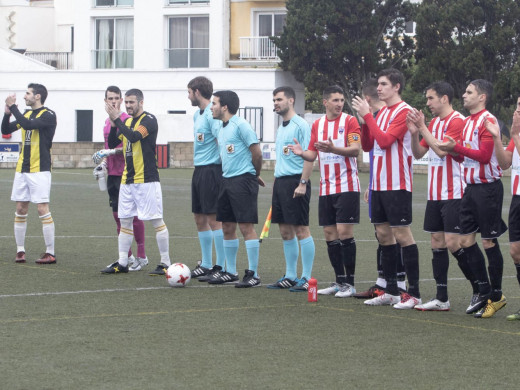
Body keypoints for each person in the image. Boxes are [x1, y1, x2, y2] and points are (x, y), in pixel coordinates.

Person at [352, 68, 422, 309]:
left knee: (402, 235)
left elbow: (386, 141)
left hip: (397, 184)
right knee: (383, 235)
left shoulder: (405, 112)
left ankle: (414, 292)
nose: (378, 88)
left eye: (383, 84)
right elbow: (369, 144)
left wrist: (368, 116)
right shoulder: (380, 114)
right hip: (379, 185)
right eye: (378, 84)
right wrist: (365, 121)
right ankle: (391, 290)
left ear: (396, 87)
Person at [437, 79, 507, 318]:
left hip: (488, 190)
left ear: (482, 97)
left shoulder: (488, 121)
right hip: (470, 190)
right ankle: (484, 289)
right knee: (465, 241)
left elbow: (485, 156)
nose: (464, 96)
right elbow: (464, 158)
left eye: (469, 92)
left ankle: (496, 296)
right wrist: (453, 150)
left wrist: (458, 148)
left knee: (488, 242)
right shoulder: (466, 122)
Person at [407, 81, 477, 311]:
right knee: (436, 242)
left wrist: (423, 127)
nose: (427, 103)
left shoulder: (457, 121)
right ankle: (441, 298)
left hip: (455, 192)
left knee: (453, 243)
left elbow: (441, 149)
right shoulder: (434, 122)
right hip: (434, 193)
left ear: (444, 98)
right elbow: (419, 153)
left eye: (431, 98)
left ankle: (479, 289)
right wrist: (415, 132)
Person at [290, 85, 361, 298]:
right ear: (325, 102)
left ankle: (350, 283)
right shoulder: (318, 125)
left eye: (341, 100)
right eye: (335, 100)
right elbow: (313, 154)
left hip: (347, 186)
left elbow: (355, 150)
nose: (340, 104)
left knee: (344, 233)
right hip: (326, 187)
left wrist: (333, 149)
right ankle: (339, 281)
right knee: (329, 233)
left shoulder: (350, 121)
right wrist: (302, 153)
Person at [100, 89, 172, 275]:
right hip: (127, 179)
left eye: (132, 102)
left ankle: (165, 261)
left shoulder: (149, 120)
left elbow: (133, 137)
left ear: (141, 102)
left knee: (156, 221)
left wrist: (118, 119)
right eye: (127, 103)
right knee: (125, 221)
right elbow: (115, 139)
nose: (129, 106)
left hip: (146, 179)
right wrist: (115, 120)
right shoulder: (127, 121)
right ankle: (123, 262)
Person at [209, 90, 264, 287]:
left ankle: (254, 274)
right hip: (226, 180)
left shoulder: (241, 125)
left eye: (214, 103)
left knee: (246, 227)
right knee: (227, 227)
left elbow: (257, 153)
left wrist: (254, 174)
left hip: (243, 181)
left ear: (224, 106)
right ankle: (230, 271)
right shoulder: (221, 127)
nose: (211, 107)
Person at [92, 86, 148, 271]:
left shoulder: (127, 120)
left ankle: (142, 256)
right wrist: (104, 164)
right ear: (105, 101)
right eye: (110, 98)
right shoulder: (107, 124)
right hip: (113, 176)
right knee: (117, 217)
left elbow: (128, 147)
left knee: (134, 217)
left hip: (129, 175)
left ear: (121, 101)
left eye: (117, 98)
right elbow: (108, 146)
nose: (114, 101)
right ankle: (128, 256)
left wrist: (108, 151)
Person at [266, 86, 315, 292]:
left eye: (279, 99)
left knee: (301, 229)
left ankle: (306, 277)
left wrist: (302, 183)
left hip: (296, 181)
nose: (276, 103)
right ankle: (290, 275)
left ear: (291, 100)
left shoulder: (301, 125)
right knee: (285, 231)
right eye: (274, 100)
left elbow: (310, 155)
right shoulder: (281, 127)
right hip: (281, 183)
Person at [2, 83, 57, 264]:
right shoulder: (25, 114)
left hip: (39, 169)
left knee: (42, 209)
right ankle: (20, 251)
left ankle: (50, 252)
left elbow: (28, 125)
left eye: (28, 93)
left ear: (38, 96)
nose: (25, 96)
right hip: (22, 169)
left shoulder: (48, 115)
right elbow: (6, 130)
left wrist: (14, 106)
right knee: (20, 208)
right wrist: (7, 113)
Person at [480, 95, 520, 319]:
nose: (517, 111)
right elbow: (504, 163)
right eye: (517, 107)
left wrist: (513, 133)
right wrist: (497, 138)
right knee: (516, 252)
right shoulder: (516, 135)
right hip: (517, 199)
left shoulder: (516, 133)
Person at [185, 76, 226, 281]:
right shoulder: (196, 115)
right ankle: (207, 263)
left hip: (212, 171)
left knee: (213, 219)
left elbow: (221, 141)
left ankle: (220, 265)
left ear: (197, 92)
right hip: (199, 170)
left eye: (189, 92)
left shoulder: (212, 114)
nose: (188, 96)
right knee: (199, 218)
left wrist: (224, 169)